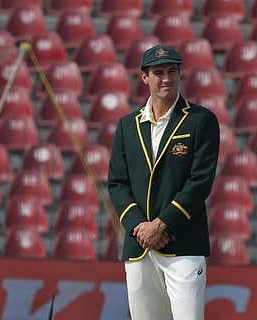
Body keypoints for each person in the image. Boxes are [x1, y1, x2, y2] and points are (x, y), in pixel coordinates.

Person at [107, 45, 220, 320]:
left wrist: (161, 225)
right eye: (158, 72)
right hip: (139, 248)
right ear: (144, 77)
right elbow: (117, 184)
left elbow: (200, 182)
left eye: (172, 71)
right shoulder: (127, 125)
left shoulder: (201, 120)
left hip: (183, 245)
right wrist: (139, 228)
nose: (166, 78)